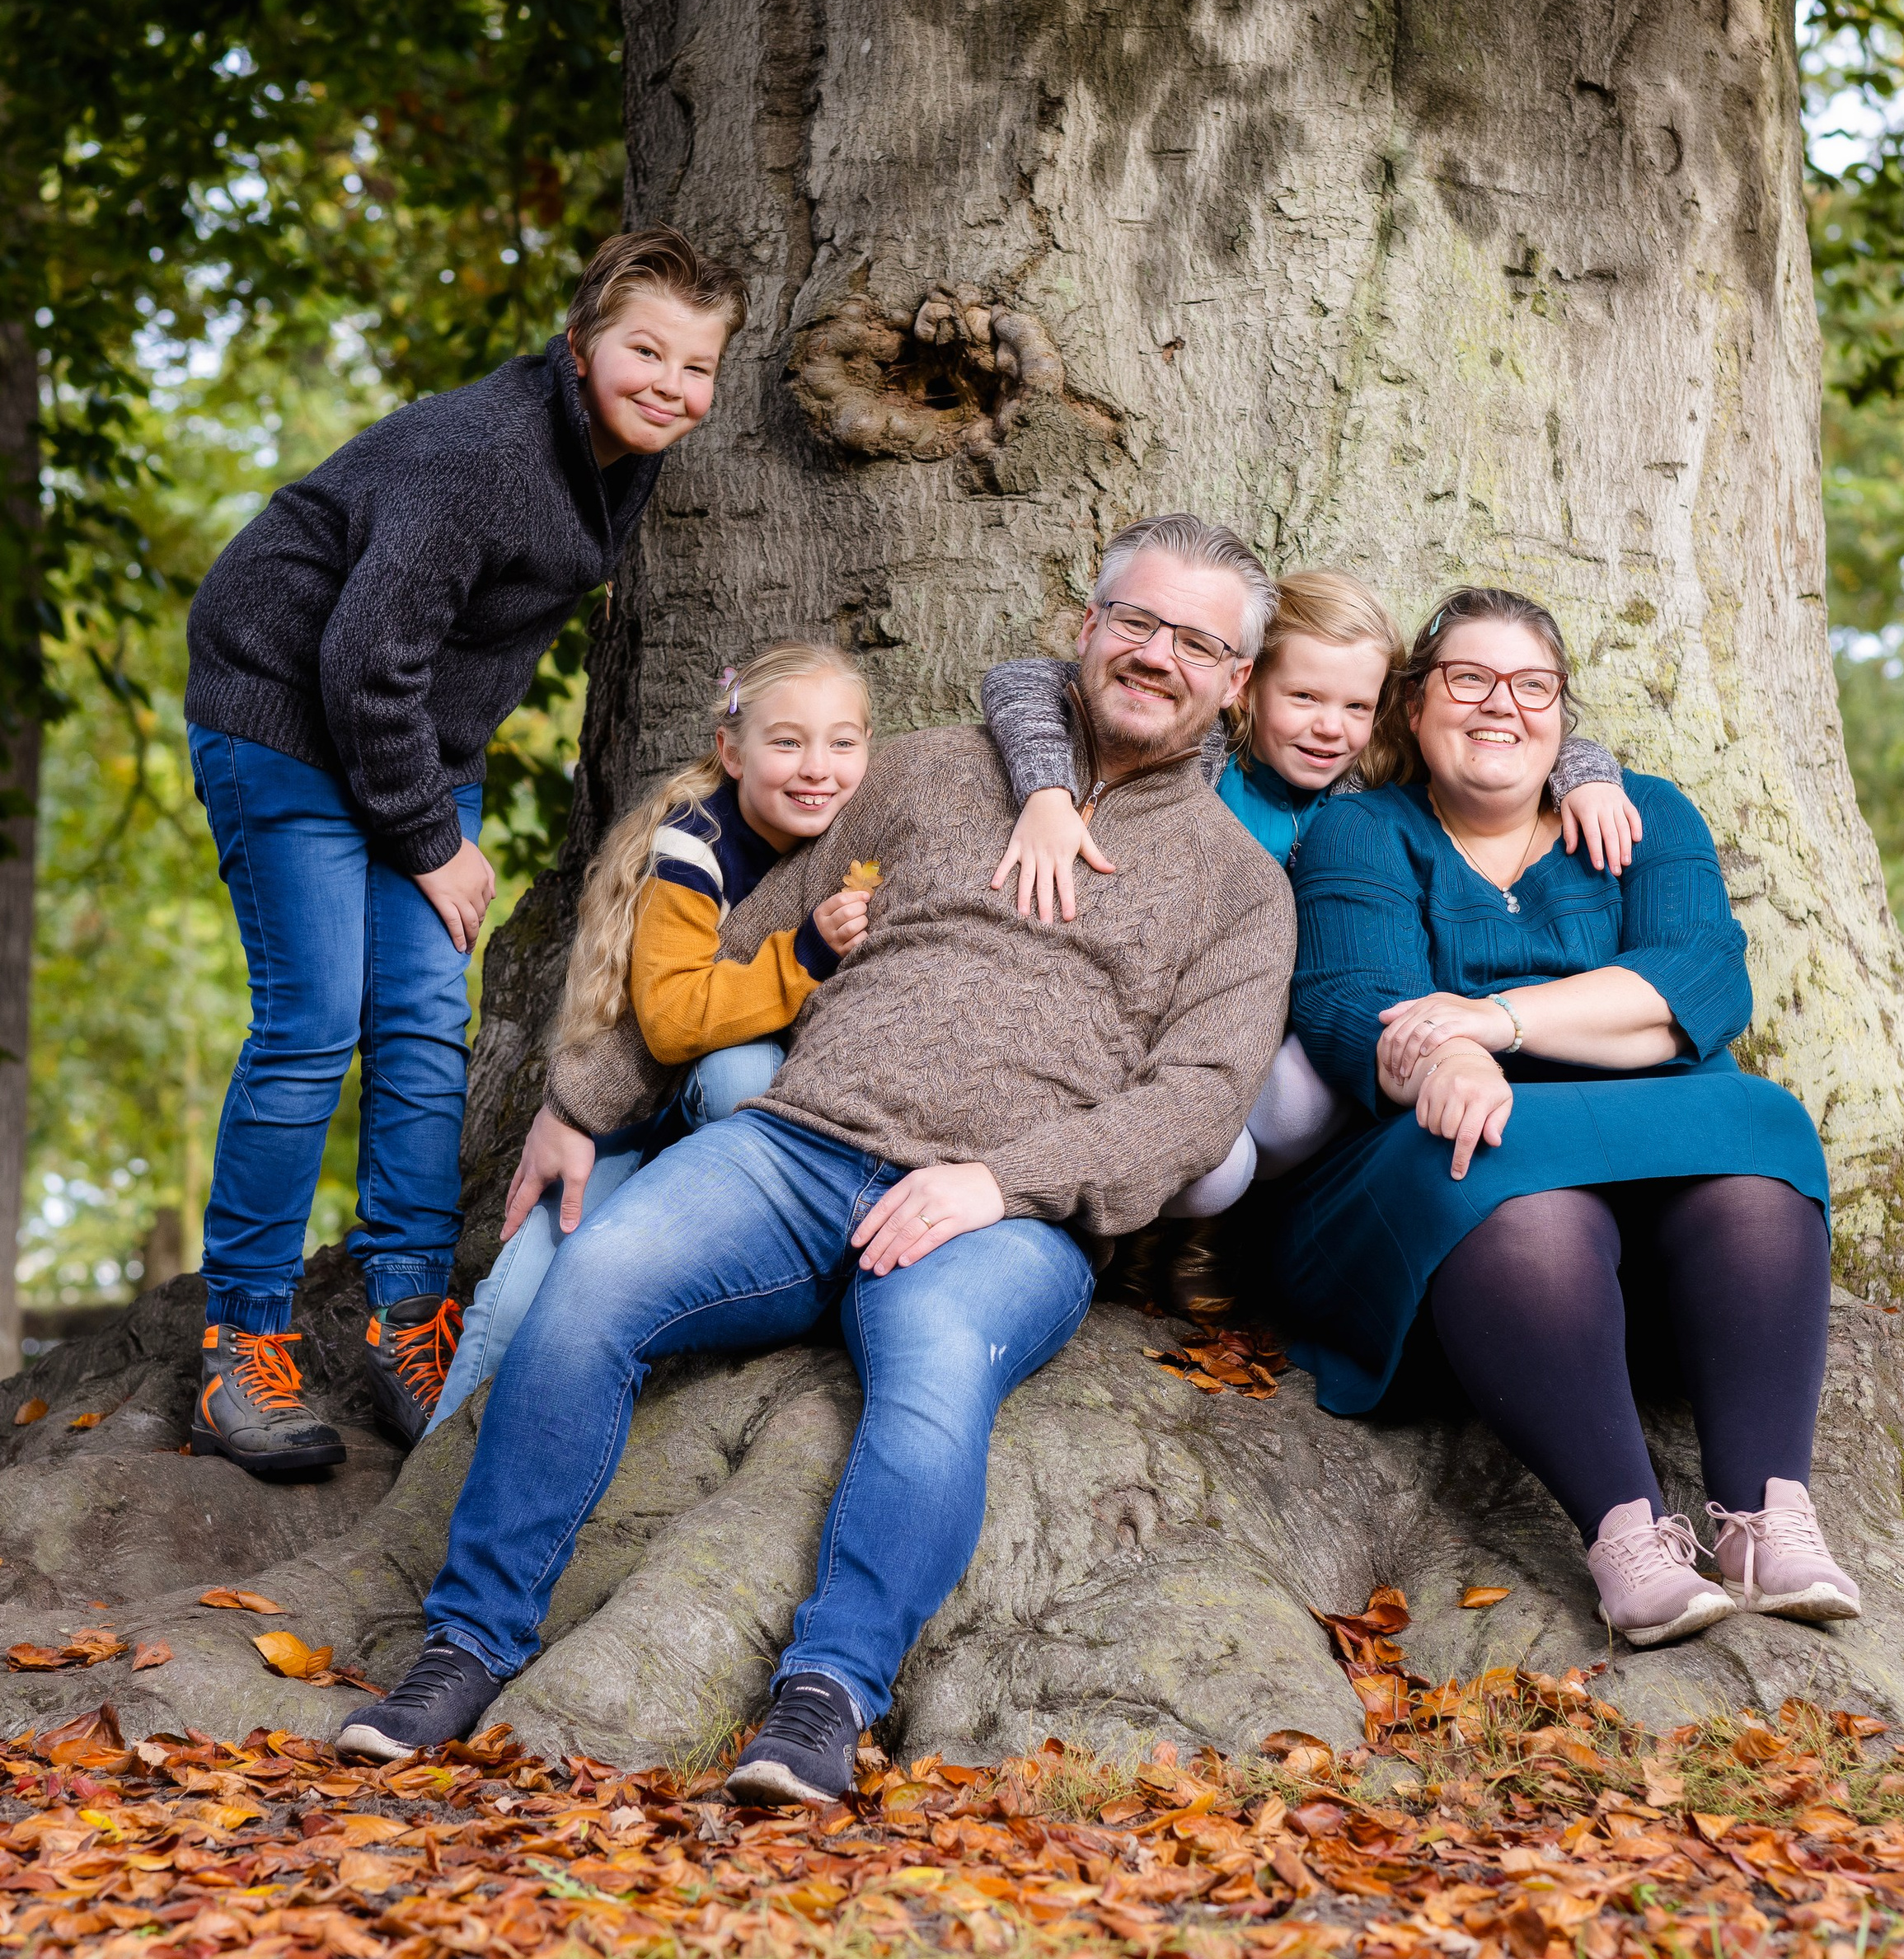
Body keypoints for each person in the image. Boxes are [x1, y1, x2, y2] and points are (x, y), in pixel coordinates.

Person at [333, 513, 1298, 1795]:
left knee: (937, 1371)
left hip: (1003, 1214)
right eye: (1137, 622)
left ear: (1235, 679)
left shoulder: (1242, 886)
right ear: (1087, 627)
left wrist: (999, 1183)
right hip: (799, 1146)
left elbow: (1199, 1101)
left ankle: (827, 1694)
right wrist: (585, 1102)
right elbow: (757, 944)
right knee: (596, 1282)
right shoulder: (920, 771)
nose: (1157, 656)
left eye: (1196, 642)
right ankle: (466, 1643)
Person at [181, 227, 748, 1474]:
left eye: (698, 367)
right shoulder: (480, 456)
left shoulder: (615, 455)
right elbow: (358, 659)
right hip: (284, 710)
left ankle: (407, 1317)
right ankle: (245, 1342)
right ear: (579, 342)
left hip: (413, 740)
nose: (671, 385)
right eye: (644, 349)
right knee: (315, 1022)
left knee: (431, 1025)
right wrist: (433, 840)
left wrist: (434, 808)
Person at [1276, 586, 1855, 1647]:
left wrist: (1485, 1024)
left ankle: (1767, 1518)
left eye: (1531, 685)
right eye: (1469, 679)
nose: (1502, 705)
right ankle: (1629, 1533)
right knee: (1507, 1179)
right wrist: (1445, 1052)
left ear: (1561, 712)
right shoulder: (1363, 829)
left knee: (1764, 1131)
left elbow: (1697, 989)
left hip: (1650, 1187)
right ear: (1413, 705)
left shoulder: (1647, 816)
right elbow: (1351, 1005)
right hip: (1445, 1191)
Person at [977, 568, 1640, 1302]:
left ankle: (1206, 1225)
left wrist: (1585, 776)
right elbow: (1025, 681)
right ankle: (1129, 1216)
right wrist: (1046, 790)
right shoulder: (1200, 760)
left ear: (1388, 709)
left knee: (1297, 1107)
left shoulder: (1371, 784)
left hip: (1274, 1032)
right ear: (1245, 685)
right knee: (1191, 1136)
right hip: (1152, 1009)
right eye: (1303, 698)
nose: (1331, 727)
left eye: (1358, 705)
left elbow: (1500, 742)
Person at [425, 642, 875, 1431]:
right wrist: (801, 953)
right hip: (649, 1110)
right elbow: (668, 1023)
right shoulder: (692, 845)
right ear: (730, 751)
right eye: (787, 742)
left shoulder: (867, 836)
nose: (818, 768)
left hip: (767, 1136)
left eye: (843, 742)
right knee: (524, 1291)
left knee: (745, 1075)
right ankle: (430, 1473)